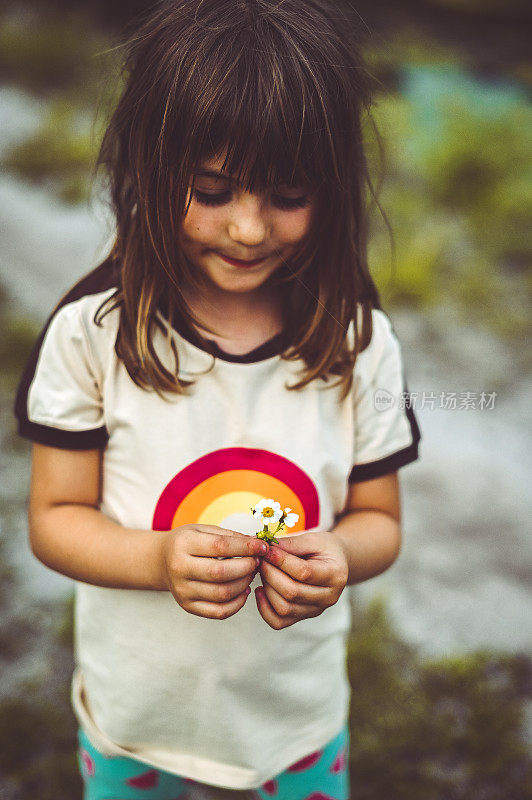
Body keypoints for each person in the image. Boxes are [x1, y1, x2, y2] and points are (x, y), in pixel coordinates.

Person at [14, 1, 422, 798]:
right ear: (147, 165)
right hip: (138, 719)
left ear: (333, 187)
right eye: (211, 188)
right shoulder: (91, 333)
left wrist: (341, 553)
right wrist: (159, 558)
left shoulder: (359, 342)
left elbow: (382, 520)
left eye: (287, 195)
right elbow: (53, 520)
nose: (246, 228)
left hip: (294, 723)